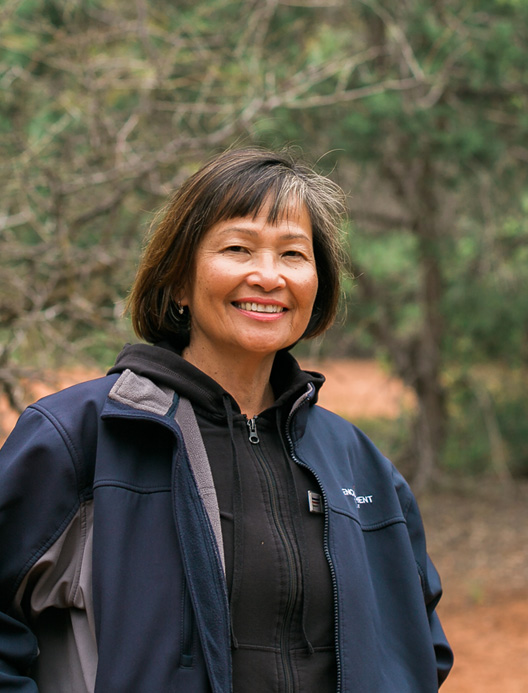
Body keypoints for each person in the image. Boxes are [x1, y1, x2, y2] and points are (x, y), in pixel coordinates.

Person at [0, 147, 453, 692]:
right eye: (238, 248)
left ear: (318, 282)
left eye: (292, 254)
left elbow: (416, 645)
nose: (268, 276)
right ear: (178, 281)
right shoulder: (83, 436)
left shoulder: (357, 463)